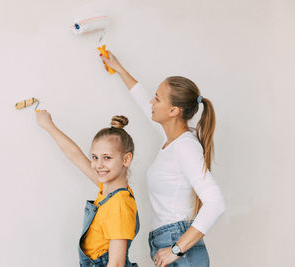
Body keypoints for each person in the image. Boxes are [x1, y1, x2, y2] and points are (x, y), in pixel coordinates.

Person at [100, 52, 226, 267]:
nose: (152, 101)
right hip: (167, 242)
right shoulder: (172, 140)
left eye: (157, 98)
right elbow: (142, 101)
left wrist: (177, 249)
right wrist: (119, 68)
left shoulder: (185, 147)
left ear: (173, 111)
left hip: (179, 247)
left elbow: (216, 203)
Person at [35, 111, 140, 267]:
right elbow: (76, 156)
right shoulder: (108, 189)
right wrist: (49, 126)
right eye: (95, 157)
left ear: (126, 159)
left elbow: (117, 264)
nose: (98, 165)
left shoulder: (118, 205)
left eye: (107, 157)